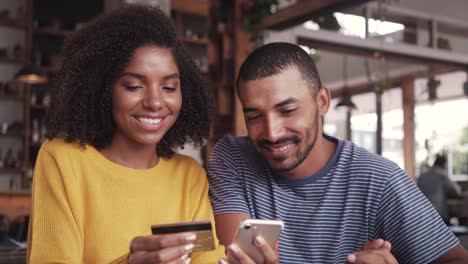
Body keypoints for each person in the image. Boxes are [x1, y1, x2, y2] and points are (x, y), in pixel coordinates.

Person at [207, 42, 468, 263]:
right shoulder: (233, 158)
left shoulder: (379, 181)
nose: (272, 133)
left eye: (287, 111)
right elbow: (239, 257)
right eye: (254, 116)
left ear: (322, 102)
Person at [27, 5, 224, 263]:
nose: (155, 102)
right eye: (133, 86)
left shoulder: (189, 176)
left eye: (169, 87)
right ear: (102, 88)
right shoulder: (62, 160)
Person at [418, 154, 462, 224]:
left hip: (423, 215)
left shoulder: (422, 176)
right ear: (444, 164)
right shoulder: (442, 176)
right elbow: (456, 191)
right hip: (439, 215)